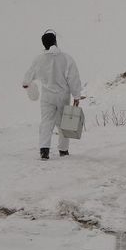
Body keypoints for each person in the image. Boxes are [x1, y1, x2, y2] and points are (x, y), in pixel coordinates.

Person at [22, 30, 82, 160]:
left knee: (46, 122)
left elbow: (27, 78)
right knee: (63, 123)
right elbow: (73, 78)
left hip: (47, 97)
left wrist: (27, 84)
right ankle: (63, 150)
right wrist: (76, 96)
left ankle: (44, 150)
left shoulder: (39, 59)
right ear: (55, 41)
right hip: (63, 96)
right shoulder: (66, 58)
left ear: (43, 44)